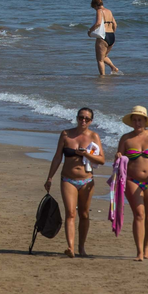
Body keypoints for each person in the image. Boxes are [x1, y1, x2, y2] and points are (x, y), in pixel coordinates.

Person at [45, 108, 105, 258]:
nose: (83, 120)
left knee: (84, 214)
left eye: (87, 119)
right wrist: (50, 177)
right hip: (68, 179)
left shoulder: (94, 136)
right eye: (81, 117)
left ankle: (81, 247)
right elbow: (58, 157)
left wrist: (86, 154)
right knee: (70, 213)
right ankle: (70, 247)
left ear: (91, 121)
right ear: (77, 118)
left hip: (87, 180)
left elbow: (102, 160)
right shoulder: (66, 134)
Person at [116, 106, 148, 261]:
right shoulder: (126, 138)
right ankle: (139, 252)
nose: (137, 123)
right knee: (139, 214)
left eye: (140, 120)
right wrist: (118, 156)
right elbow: (118, 159)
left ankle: (146, 247)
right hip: (132, 180)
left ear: (145, 121)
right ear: (131, 122)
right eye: (135, 120)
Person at [88, 0, 119, 75]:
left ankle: (102, 78)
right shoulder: (109, 11)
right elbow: (115, 24)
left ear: (95, 5)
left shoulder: (99, 11)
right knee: (104, 56)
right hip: (111, 36)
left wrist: (90, 31)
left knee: (100, 60)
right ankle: (113, 68)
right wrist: (111, 32)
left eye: (94, 7)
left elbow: (98, 23)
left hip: (103, 36)